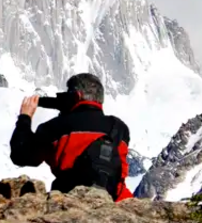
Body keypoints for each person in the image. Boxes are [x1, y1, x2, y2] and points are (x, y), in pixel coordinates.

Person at [9, 73, 133, 201]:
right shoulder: (119, 128)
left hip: (68, 201)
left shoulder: (54, 127)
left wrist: (25, 117)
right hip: (116, 202)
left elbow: (20, 156)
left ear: (76, 96)